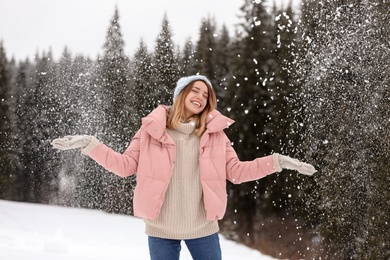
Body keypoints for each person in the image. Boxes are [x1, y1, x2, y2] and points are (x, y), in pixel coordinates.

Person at [51, 75, 316, 260]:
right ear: (181, 94)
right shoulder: (150, 130)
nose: (200, 97)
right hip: (161, 230)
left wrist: (276, 162)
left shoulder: (215, 135)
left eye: (206, 94)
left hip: (202, 229)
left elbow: (236, 171)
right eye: (195, 90)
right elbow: (124, 166)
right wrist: (90, 144)